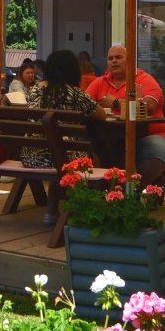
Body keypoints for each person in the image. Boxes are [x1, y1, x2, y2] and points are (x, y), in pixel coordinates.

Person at [25, 50, 103, 218]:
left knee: (59, 152)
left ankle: (52, 209)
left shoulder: (35, 89)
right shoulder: (75, 93)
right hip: (62, 159)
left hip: (32, 156)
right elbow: (101, 115)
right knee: (93, 158)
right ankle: (89, 209)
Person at [86, 44, 165, 185]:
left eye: (118, 57)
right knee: (90, 145)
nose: (114, 61)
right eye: (110, 58)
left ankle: (130, 191)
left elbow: (148, 107)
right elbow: (84, 103)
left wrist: (115, 103)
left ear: (130, 60)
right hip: (109, 137)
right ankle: (107, 189)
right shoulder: (100, 82)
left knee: (155, 149)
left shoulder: (144, 80)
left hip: (147, 135)